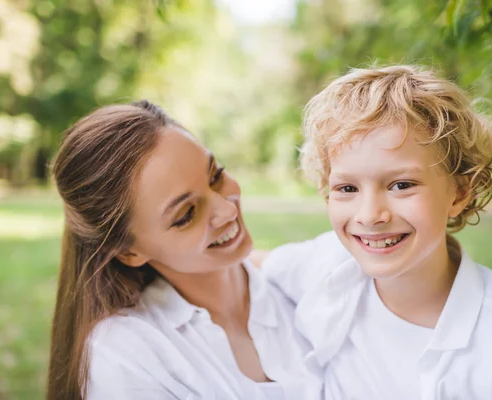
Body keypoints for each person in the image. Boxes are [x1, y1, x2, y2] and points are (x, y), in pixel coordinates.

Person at [258, 65, 492, 399]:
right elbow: (250, 265)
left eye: (401, 185)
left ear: (460, 192)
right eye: (347, 188)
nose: (370, 215)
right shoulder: (325, 264)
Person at [46, 100, 317, 400]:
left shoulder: (299, 280)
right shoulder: (124, 356)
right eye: (187, 214)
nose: (227, 210)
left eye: (216, 176)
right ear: (128, 252)